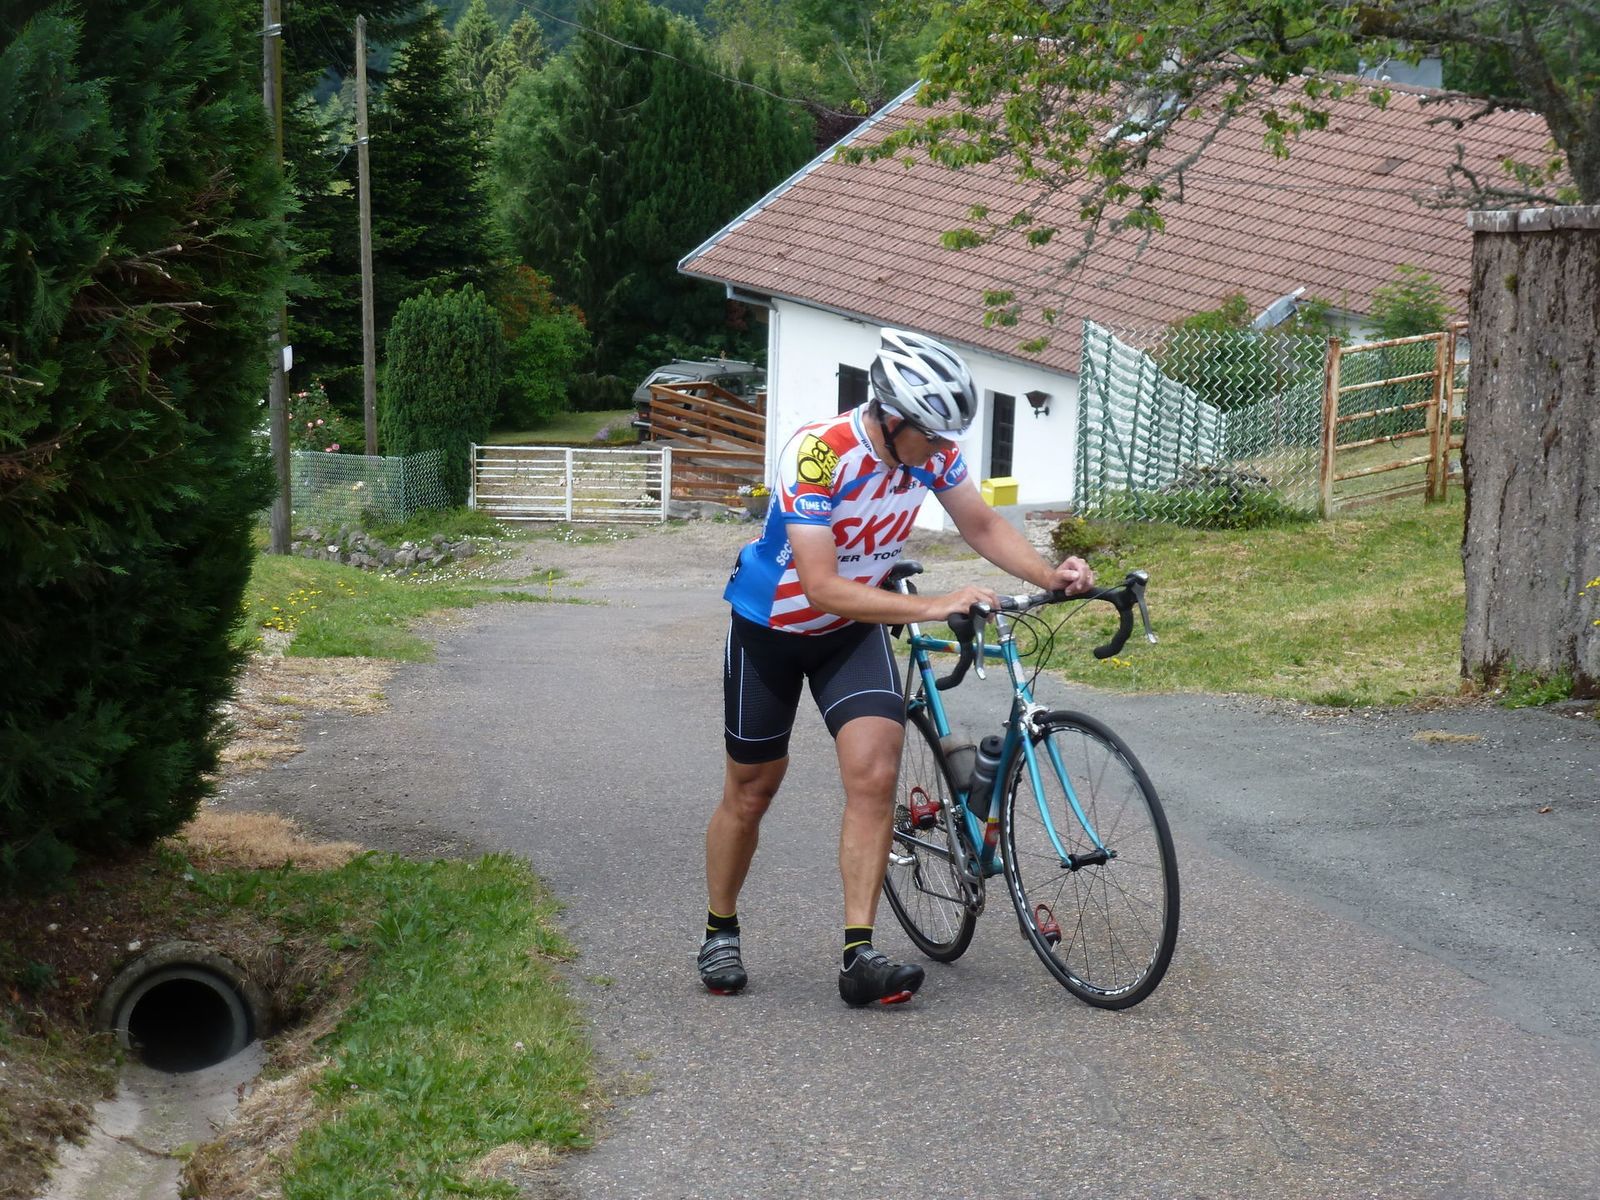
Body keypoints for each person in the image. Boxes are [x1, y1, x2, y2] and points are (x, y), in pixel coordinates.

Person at [699, 328, 1095, 1007]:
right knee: (752, 792)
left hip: (850, 633)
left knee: (875, 773)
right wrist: (936, 605)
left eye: (948, 439)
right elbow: (820, 585)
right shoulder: (819, 454)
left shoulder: (929, 450)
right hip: (771, 630)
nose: (943, 451)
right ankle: (720, 928)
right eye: (933, 438)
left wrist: (1048, 574)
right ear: (891, 417)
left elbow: (981, 524)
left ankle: (859, 955)